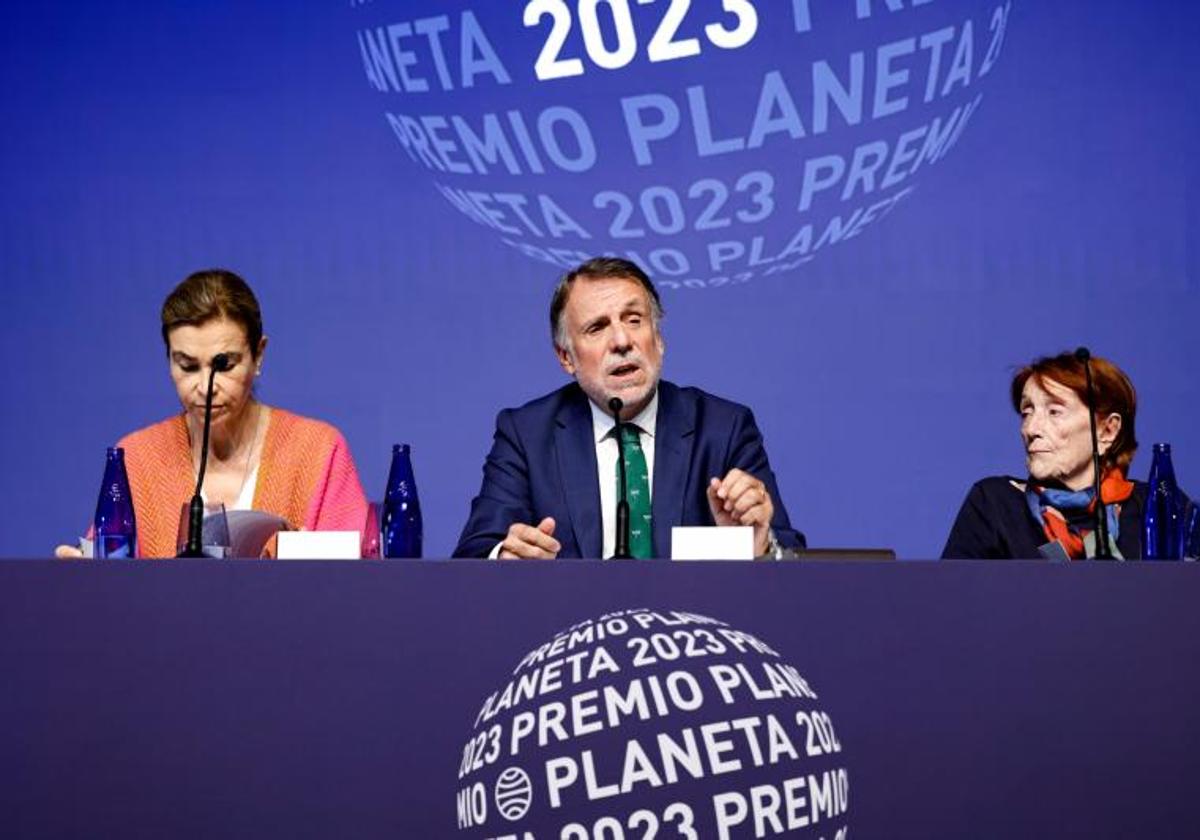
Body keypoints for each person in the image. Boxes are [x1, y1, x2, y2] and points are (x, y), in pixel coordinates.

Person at [454, 257, 803, 559]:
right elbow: (475, 554)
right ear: (566, 357)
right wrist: (506, 559)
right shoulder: (527, 434)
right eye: (597, 327)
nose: (622, 341)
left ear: (659, 338)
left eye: (634, 319)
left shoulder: (723, 428)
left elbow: (790, 557)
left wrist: (755, 546)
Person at [57, 269, 368, 558]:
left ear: (258, 355)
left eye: (224, 365)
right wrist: (85, 578)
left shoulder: (317, 450)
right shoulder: (137, 458)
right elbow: (105, 569)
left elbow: (358, 584)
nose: (205, 387)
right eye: (187, 366)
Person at [942, 351, 1150, 559]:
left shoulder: (1156, 507)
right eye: (1027, 412)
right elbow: (953, 590)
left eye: (1054, 412)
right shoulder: (995, 505)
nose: (1031, 429)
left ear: (1107, 431)